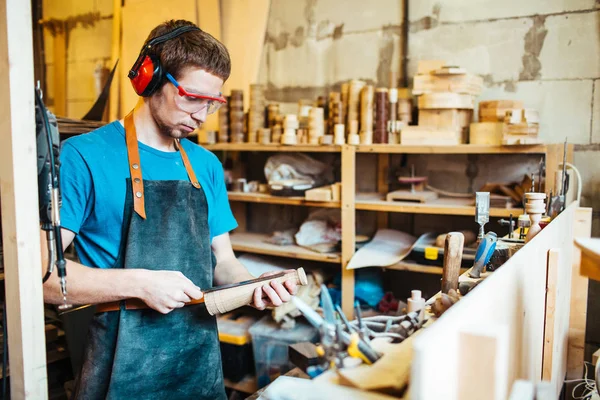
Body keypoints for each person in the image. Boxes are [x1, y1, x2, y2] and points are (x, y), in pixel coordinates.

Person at [41, 19, 297, 399]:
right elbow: (42, 279)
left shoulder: (205, 164)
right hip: (121, 366)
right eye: (192, 97)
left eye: (213, 103)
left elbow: (223, 262)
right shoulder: (86, 155)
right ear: (149, 79)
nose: (202, 115)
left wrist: (252, 288)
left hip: (198, 362)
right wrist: (141, 284)